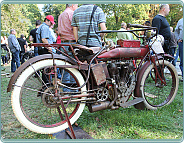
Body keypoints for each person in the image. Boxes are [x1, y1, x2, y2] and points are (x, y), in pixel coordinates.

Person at [58, 4, 78, 92]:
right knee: (74, 67)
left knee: (65, 67)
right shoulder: (72, 13)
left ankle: (66, 90)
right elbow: (75, 28)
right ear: (72, 5)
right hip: (71, 42)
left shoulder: (61, 15)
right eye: (76, 5)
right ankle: (74, 90)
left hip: (63, 43)